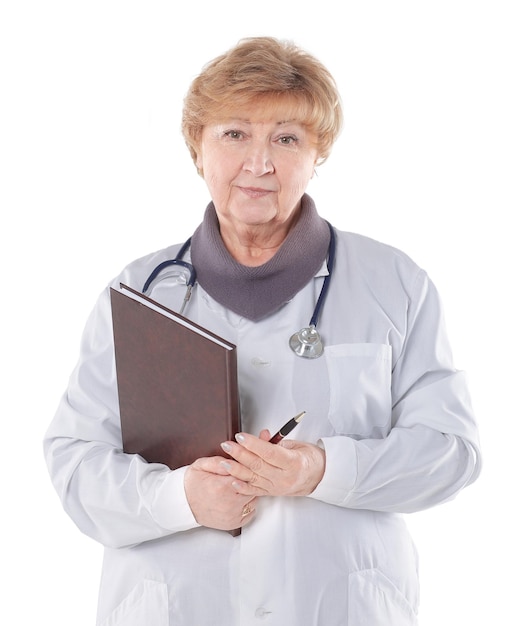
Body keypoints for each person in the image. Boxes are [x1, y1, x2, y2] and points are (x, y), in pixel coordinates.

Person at [44, 36, 481, 626]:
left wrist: (325, 471)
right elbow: (75, 463)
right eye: (234, 134)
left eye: (286, 137)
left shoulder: (396, 284)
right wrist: (182, 500)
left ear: (316, 153)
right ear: (197, 150)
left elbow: (452, 453)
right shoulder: (140, 292)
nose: (259, 162)